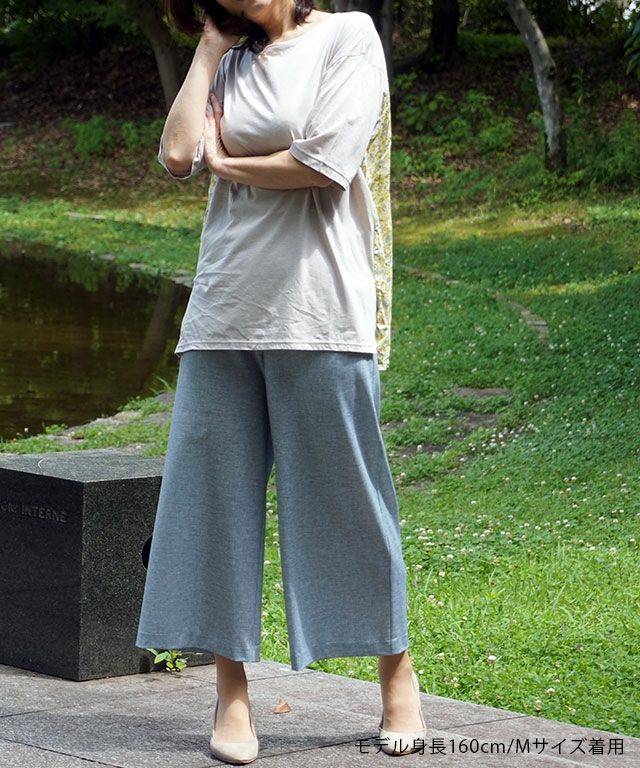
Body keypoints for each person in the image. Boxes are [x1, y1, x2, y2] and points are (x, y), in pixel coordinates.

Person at [135, 0, 426, 762]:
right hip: (224, 310)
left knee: (350, 500)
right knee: (212, 506)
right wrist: (208, 48)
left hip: (319, 308)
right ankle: (231, 696)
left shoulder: (348, 37)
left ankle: (397, 677)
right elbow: (177, 154)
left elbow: (327, 162)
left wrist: (229, 165)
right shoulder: (229, 62)